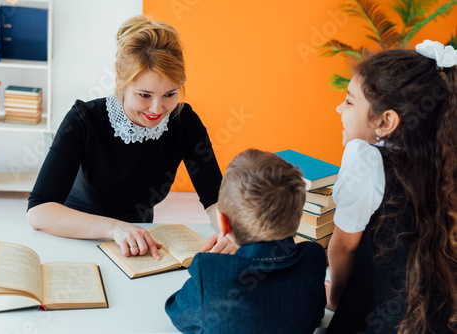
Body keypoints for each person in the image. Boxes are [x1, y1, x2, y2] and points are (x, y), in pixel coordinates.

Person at [27, 15, 236, 259]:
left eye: (169, 94)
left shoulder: (184, 122)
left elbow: (214, 200)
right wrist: (113, 227)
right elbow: (39, 210)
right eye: (144, 95)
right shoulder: (83, 120)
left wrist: (229, 231)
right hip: (77, 236)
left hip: (140, 243)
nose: (157, 109)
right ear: (120, 81)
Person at [326, 40, 457, 334]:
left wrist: (333, 299)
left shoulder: (364, 160)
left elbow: (344, 247)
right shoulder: (445, 160)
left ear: (386, 121)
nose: (339, 108)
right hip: (435, 318)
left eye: (349, 102)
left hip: (373, 318)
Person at [165, 149, 327, 333]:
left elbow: (177, 313)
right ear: (297, 219)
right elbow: (316, 314)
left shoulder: (209, 272)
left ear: (224, 224)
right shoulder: (313, 258)